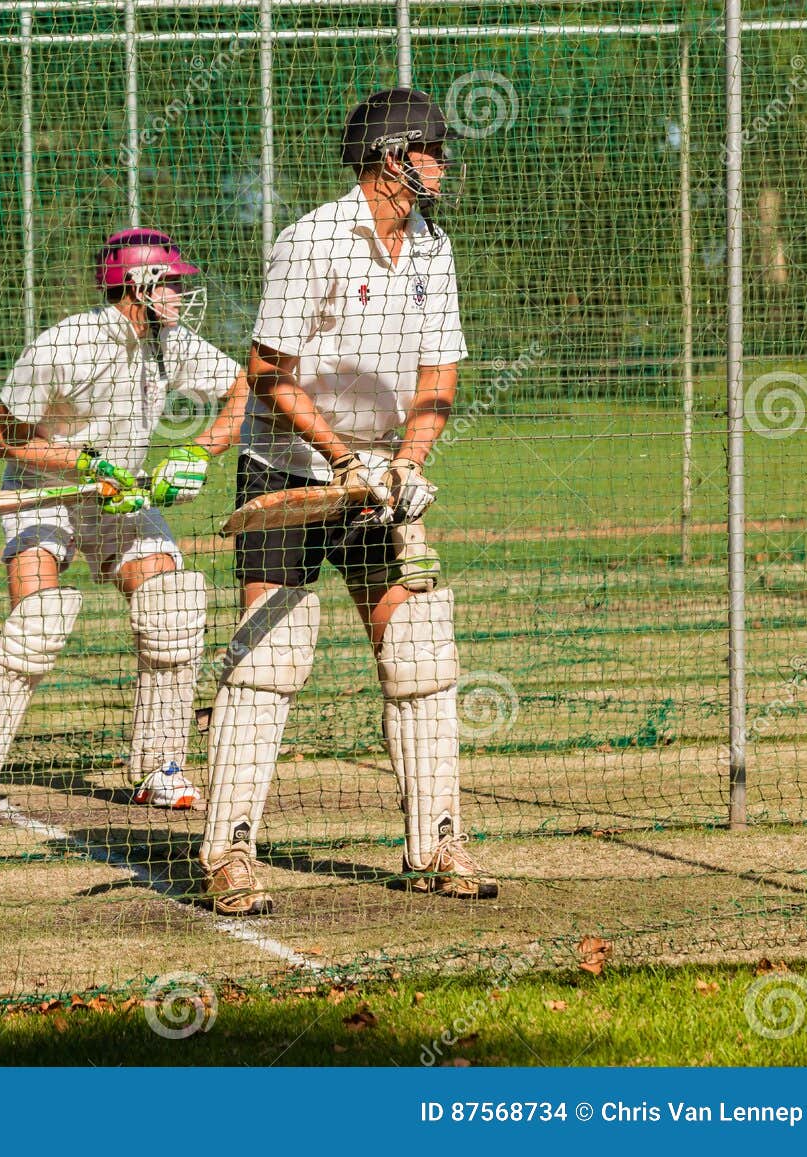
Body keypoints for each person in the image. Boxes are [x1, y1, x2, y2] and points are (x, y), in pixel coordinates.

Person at [199, 88, 498, 914]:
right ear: (392, 158)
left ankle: (437, 843)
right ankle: (228, 854)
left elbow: (441, 372)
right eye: (432, 150)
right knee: (269, 658)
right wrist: (339, 459)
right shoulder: (314, 241)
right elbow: (268, 368)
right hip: (290, 466)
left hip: (379, 476)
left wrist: (405, 463)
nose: (442, 165)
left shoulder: (431, 248)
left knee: (420, 654)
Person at [0, 228, 250, 821]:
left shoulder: (169, 344)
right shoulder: (64, 345)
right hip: (44, 490)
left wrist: (198, 452)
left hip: (119, 496)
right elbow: (4, 440)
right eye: (172, 283)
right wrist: (83, 462)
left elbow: (244, 386)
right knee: (38, 622)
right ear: (140, 285)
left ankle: (160, 768)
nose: (181, 293)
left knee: (172, 602)